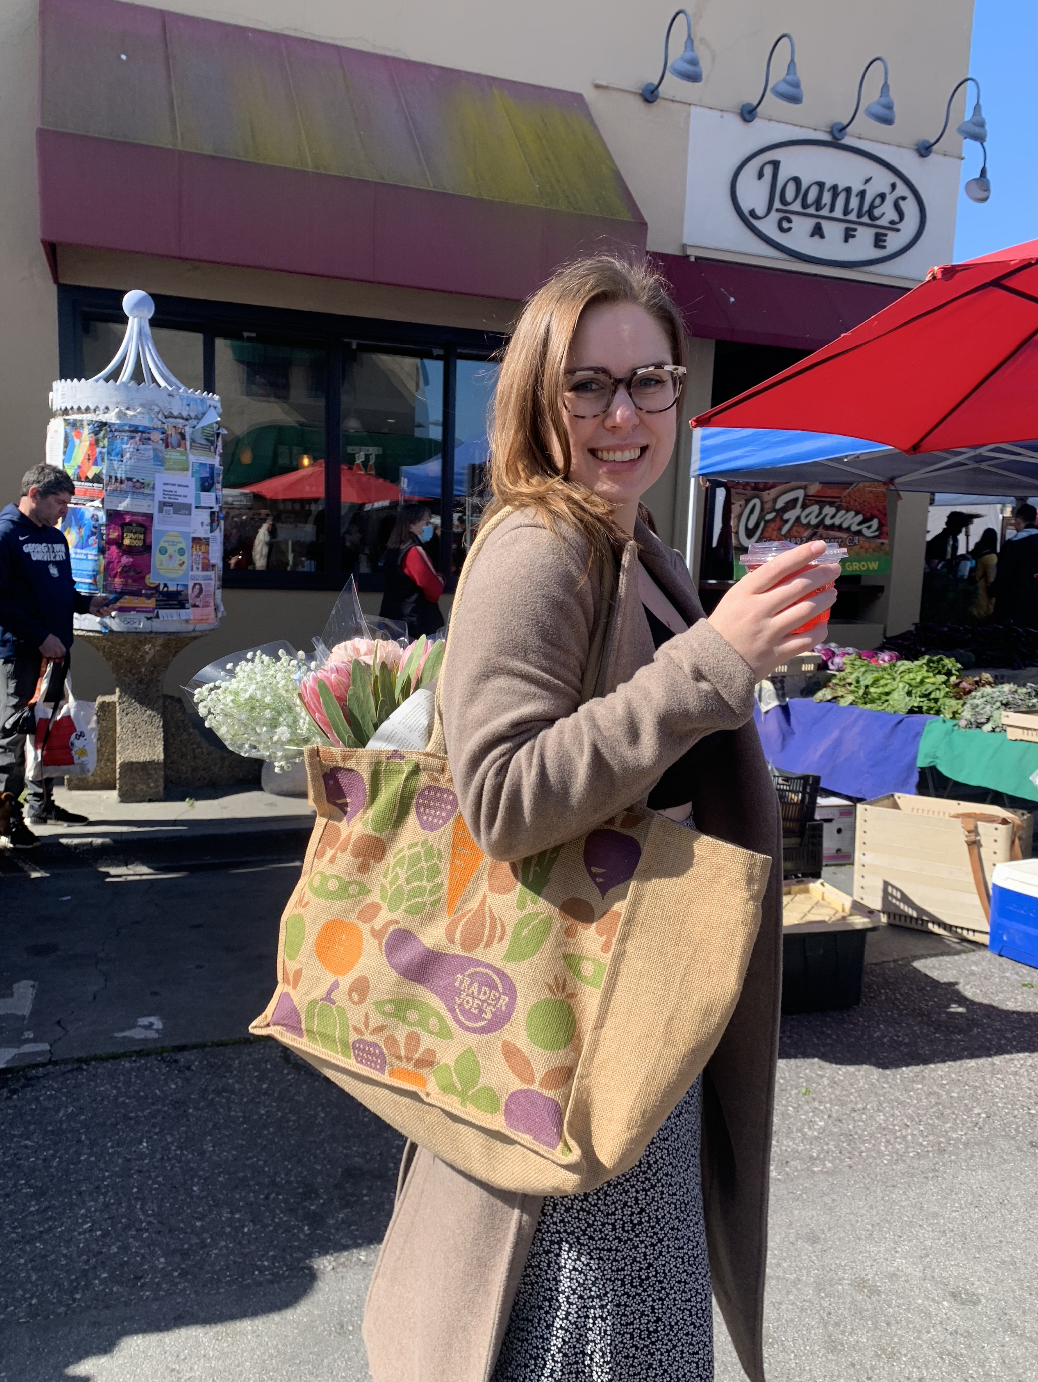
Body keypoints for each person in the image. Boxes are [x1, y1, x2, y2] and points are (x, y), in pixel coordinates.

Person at [362, 256, 838, 1382]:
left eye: (652, 380)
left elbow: (649, 727)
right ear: (540, 398)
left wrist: (733, 664)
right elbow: (507, 796)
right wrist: (710, 663)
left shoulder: (633, 542)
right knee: (600, 1342)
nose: (623, 413)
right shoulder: (542, 546)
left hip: (628, 1025)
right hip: (570, 1032)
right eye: (588, 385)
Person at [0, 464, 114, 848]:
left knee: (46, 732)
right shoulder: (5, 535)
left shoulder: (55, 537)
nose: (65, 510)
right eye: (59, 502)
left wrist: (87, 603)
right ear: (34, 494)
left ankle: (42, 803)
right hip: (21, 655)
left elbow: (58, 590)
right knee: (14, 735)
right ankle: (7, 817)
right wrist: (39, 636)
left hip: (55, 654)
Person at [379, 503, 445, 638]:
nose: (429, 527)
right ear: (411, 525)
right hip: (415, 624)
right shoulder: (414, 551)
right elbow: (434, 590)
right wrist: (441, 578)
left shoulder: (393, 550)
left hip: (394, 620)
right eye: (426, 523)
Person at [991, 502, 1038, 627]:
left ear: (1018, 520)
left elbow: (1004, 575)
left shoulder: (1013, 546)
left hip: (1014, 602)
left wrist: (993, 591)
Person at [969, 526, 998, 622]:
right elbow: (991, 580)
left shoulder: (977, 552)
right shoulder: (991, 557)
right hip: (984, 594)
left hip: (974, 590)